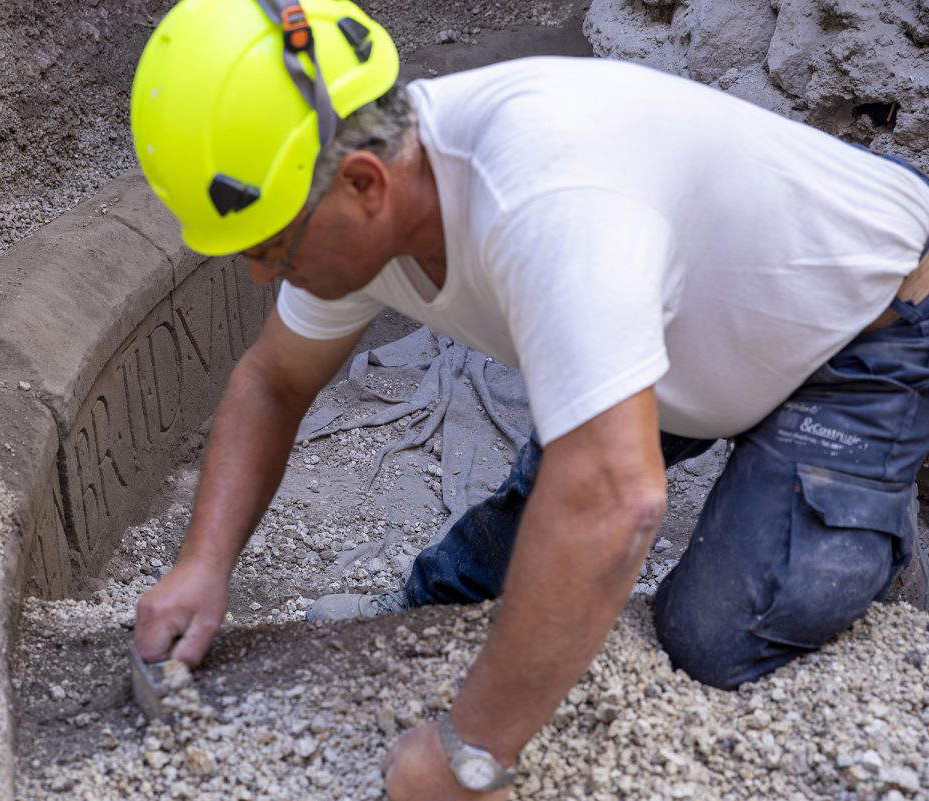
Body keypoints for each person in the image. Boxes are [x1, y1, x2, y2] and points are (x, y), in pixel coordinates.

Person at [128, 1, 929, 797]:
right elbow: (272, 382)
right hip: (698, 319)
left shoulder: (544, 197)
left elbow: (616, 501)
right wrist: (203, 566)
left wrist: (468, 753)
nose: (261, 275)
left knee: (712, 637)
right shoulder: (368, 182)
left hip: (864, 317)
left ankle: (867, 538)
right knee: (511, 546)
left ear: (364, 184)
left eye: (271, 247)